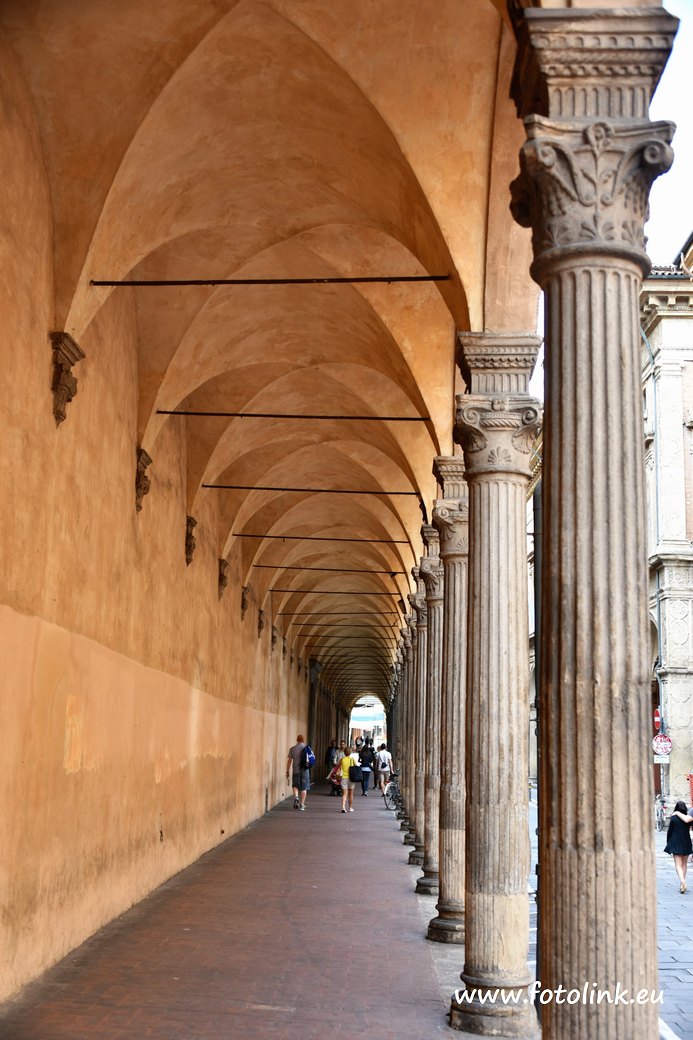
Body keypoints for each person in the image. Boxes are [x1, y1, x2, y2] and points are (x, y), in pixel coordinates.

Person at [664, 800, 693, 892]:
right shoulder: (687, 818)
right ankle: (682, 883)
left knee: (678, 865)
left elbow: (670, 831)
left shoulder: (673, 818)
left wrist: (668, 841)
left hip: (676, 842)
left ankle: (682, 881)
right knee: (684, 864)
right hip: (686, 842)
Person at [286, 734, 310, 811]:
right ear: (303, 740)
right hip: (305, 770)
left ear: (297, 740)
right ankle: (302, 805)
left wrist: (287, 771)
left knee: (295, 785)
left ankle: (296, 797)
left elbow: (289, 761)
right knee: (304, 787)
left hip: (295, 770)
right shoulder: (307, 748)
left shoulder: (292, 749)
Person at [339, 745, 359, 813]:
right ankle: (350, 808)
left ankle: (343, 807)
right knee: (351, 794)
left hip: (344, 778)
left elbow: (339, 768)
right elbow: (356, 766)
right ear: (350, 752)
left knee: (344, 794)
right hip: (351, 778)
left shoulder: (342, 760)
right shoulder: (352, 759)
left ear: (344, 753)